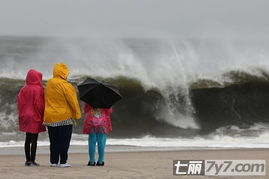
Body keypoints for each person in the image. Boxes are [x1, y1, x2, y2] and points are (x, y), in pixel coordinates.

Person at [43, 63, 81, 168]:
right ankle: (63, 162)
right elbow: (73, 102)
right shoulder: (66, 85)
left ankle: (54, 162)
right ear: (64, 73)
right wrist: (77, 115)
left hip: (50, 117)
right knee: (64, 141)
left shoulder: (49, 83)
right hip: (64, 117)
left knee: (54, 141)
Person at [17, 69, 46, 166]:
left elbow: (20, 103)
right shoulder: (39, 89)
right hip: (35, 115)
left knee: (27, 138)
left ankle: (27, 160)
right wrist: (43, 115)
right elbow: (40, 104)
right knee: (34, 138)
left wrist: (22, 113)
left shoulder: (23, 89)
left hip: (25, 115)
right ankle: (33, 160)